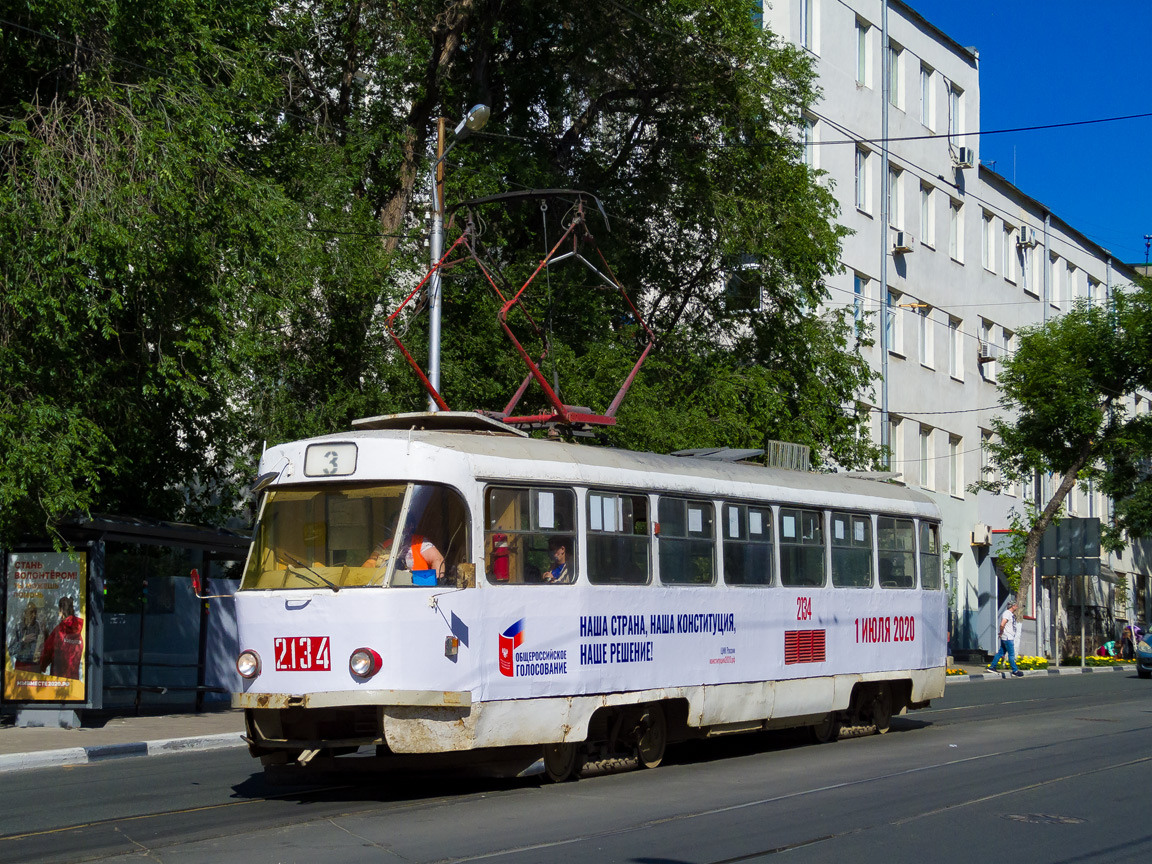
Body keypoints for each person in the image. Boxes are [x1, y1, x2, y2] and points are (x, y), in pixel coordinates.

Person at [363, 532, 445, 585]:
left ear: (411, 526)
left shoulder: (420, 542)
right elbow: (371, 562)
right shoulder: (386, 544)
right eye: (395, 524)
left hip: (413, 586)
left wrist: (435, 584)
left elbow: (438, 560)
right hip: (383, 585)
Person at [39, 596, 84, 680]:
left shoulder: (59, 630)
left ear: (61, 611)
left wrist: (41, 666)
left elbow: (47, 650)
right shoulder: (78, 631)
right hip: (73, 681)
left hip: (59, 680)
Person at [987, 600, 1024, 677]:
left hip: (1007, 637)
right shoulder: (1007, 613)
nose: (1016, 606)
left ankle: (992, 667)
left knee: (1001, 652)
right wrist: (1001, 632)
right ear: (1012, 606)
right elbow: (1002, 624)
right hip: (1008, 637)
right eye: (1015, 605)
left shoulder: (1010, 614)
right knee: (1011, 655)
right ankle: (1015, 671)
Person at [8, 600, 46, 672]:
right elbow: (10, 651)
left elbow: (43, 645)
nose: (34, 615)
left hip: (35, 666)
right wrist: (23, 641)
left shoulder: (38, 627)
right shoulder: (19, 628)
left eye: (35, 612)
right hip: (21, 666)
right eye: (31, 612)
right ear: (25, 613)